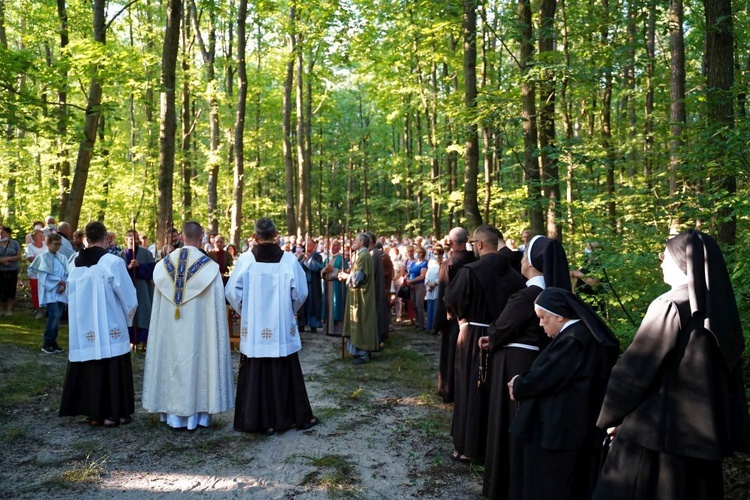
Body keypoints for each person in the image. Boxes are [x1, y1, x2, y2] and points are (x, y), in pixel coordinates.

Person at [593, 230, 749, 500]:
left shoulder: (669, 304)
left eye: (664, 256)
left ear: (680, 262)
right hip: (700, 446)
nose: (661, 263)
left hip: (653, 443)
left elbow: (634, 372)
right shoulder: (720, 313)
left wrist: (610, 416)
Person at [478, 235, 571, 499]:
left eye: (524, 254)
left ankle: (505, 483)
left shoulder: (528, 295)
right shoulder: (550, 294)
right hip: (532, 360)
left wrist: (492, 337)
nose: (519, 258)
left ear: (531, 262)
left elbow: (503, 327)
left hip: (514, 362)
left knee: (508, 419)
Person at [507, 287, 619, 500]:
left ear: (559, 315)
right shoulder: (584, 335)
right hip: (579, 425)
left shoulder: (573, 339)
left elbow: (547, 377)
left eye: (542, 318)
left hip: (563, 428)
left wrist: (518, 383)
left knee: (557, 485)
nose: (540, 324)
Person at [226, 218, 318, 434]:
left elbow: (231, 292)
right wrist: (288, 308)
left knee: (256, 370)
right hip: (280, 325)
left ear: (255, 236)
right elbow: (301, 293)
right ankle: (287, 417)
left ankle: (256, 421)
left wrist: (245, 309)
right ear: (276, 235)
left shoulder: (246, 260)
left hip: (255, 327)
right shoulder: (289, 261)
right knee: (284, 367)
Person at [142, 221, 234, 431]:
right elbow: (218, 308)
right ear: (201, 237)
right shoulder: (209, 269)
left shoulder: (163, 266)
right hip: (199, 333)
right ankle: (198, 416)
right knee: (200, 361)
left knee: (170, 360)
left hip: (169, 329)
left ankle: (171, 414)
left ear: (181, 237)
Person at [444, 224, 525, 463]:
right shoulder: (514, 275)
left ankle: (467, 448)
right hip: (501, 338)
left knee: (470, 389)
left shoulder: (471, 271)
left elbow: (452, 300)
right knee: (491, 391)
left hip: (471, 337)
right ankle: (490, 447)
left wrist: (457, 317)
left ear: (479, 245)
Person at [59, 221, 138, 427]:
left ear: (86, 238)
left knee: (90, 365)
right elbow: (129, 298)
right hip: (110, 323)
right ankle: (115, 413)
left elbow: (69, 294)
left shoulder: (73, 262)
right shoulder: (112, 262)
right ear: (106, 238)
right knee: (113, 366)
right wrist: (128, 320)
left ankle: (93, 413)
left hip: (83, 327)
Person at [435, 227, 476, 403]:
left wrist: (438, 322)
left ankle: (448, 389)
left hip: (452, 319)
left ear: (451, 242)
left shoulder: (448, 264)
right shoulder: (476, 261)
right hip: (474, 318)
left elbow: (443, 295)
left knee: (451, 353)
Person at [339, 232, 379, 364]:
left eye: (356, 240)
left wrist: (346, 276)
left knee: (362, 323)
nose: (354, 242)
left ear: (362, 242)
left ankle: (363, 353)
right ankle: (358, 351)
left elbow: (358, 278)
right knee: (359, 322)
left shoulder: (363, 256)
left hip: (362, 297)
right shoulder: (362, 255)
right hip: (359, 296)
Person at [29, 233, 69, 354]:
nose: (57, 246)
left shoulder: (62, 258)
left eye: (59, 244)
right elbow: (43, 276)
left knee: (58, 317)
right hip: (50, 291)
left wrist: (64, 284)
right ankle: (47, 342)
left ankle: (53, 342)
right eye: (55, 244)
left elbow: (67, 273)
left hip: (61, 291)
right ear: (48, 243)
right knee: (54, 315)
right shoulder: (43, 258)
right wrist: (59, 282)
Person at [120, 229, 155, 349]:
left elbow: (152, 271)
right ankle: (130, 340)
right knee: (129, 314)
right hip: (127, 290)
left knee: (143, 313)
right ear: (126, 239)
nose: (133, 240)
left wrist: (140, 267)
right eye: (130, 238)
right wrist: (128, 267)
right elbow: (117, 274)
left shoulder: (146, 254)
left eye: (135, 238)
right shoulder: (120, 255)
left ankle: (144, 341)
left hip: (142, 289)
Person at [365, 232, 389, 343]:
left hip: (374, 289)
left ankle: (376, 339)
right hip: (375, 287)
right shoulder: (373, 253)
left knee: (377, 314)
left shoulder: (373, 254)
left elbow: (368, 273)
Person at [297, 238, 324, 333]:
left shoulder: (317, 257)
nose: (308, 247)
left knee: (313, 304)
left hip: (313, 285)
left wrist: (308, 260)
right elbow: (297, 269)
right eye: (307, 245)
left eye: (310, 245)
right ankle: (301, 324)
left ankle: (314, 325)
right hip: (303, 284)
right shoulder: (301, 256)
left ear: (314, 246)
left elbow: (317, 268)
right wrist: (303, 260)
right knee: (302, 305)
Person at [322, 238, 346, 336]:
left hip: (336, 286)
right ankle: (328, 328)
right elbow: (322, 270)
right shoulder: (327, 258)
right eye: (332, 245)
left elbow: (344, 273)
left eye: (335, 245)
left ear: (339, 247)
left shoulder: (342, 259)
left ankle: (337, 330)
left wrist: (333, 270)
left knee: (336, 307)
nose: (332, 247)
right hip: (328, 284)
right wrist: (324, 271)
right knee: (327, 306)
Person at [24, 228, 47, 319]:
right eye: (39, 235)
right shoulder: (29, 247)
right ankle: (39, 310)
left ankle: (47, 310)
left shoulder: (46, 244)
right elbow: (30, 258)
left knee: (46, 291)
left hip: (46, 272)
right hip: (34, 273)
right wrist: (43, 263)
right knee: (36, 292)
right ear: (34, 237)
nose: (42, 237)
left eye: (42, 235)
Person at [0, 226, 22, 316]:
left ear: (8, 233)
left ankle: (9, 310)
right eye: (0, 233)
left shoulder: (15, 243)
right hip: (0, 270)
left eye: (3, 232)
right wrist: (2, 261)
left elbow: (19, 256)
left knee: (11, 290)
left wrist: (8, 259)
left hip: (12, 270)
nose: (1, 234)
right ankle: (0, 310)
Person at [406, 246, 428, 330]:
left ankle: (422, 324)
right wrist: (408, 280)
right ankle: (417, 321)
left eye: (417, 252)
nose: (415, 254)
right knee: (414, 304)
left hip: (419, 285)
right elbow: (409, 273)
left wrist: (411, 281)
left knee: (419, 304)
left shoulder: (424, 263)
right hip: (411, 285)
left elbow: (422, 276)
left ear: (421, 253)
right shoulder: (413, 263)